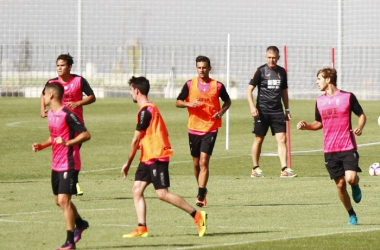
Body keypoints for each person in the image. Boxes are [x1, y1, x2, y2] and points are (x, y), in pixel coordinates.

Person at [121, 76, 207, 238]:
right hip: (148, 156)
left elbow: (135, 140)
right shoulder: (149, 108)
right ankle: (142, 228)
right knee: (136, 189)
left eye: (131, 90)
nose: (130, 93)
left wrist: (127, 163)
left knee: (162, 194)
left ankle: (197, 215)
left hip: (157, 156)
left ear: (136, 91)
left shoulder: (146, 111)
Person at [297, 67, 366, 225]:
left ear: (328, 79)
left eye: (319, 79)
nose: (316, 82)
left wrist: (360, 127)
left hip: (347, 146)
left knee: (350, 178)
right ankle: (351, 214)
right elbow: (318, 123)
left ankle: (355, 184)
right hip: (329, 150)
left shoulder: (347, 97)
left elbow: (361, 115)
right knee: (340, 185)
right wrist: (306, 125)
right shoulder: (319, 101)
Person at [32, 83, 91, 249]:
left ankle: (70, 241)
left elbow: (86, 134)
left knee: (64, 200)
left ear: (50, 95)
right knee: (58, 201)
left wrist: (67, 143)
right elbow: (54, 136)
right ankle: (80, 223)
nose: (42, 98)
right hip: (56, 163)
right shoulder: (51, 113)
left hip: (69, 162)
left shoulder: (67, 114)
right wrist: (42, 145)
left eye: (43, 95)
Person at [175, 55, 231, 207]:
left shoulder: (217, 86)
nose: (202, 70)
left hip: (210, 128)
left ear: (209, 68)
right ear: (196, 68)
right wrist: (189, 104)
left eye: (204, 67)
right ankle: (202, 188)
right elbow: (178, 102)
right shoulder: (189, 84)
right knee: (195, 164)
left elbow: (227, 101)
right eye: (199, 67)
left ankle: (200, 194)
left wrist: (221, 112)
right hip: (193, 128)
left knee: (204, 161)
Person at [40, 53, 96, 196]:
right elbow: (43, 94)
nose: (59, 68)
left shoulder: (79, 80)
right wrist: (42, 109)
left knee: (71, 152)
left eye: (62, 65)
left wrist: (78, 103)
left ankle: (73, 183)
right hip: (59, 125)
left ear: (70, 67)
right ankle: (68, 183)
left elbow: (92, 97)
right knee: (62, 153)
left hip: (75, 125)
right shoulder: (52, 83)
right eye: (57, 65)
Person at [246, 46, 296, 178]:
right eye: (269, 58)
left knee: (282, 139)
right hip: (262, 111)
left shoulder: (282, 72)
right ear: (265, 57)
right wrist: (252, 107)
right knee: (259, 139)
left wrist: (287, 109)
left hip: (277, 111)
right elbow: (249, 90)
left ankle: (284, 169)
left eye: (274, 58)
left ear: (278, 58)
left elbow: (284, 91)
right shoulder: (260, 71)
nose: (271, 60)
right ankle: (255, 168)